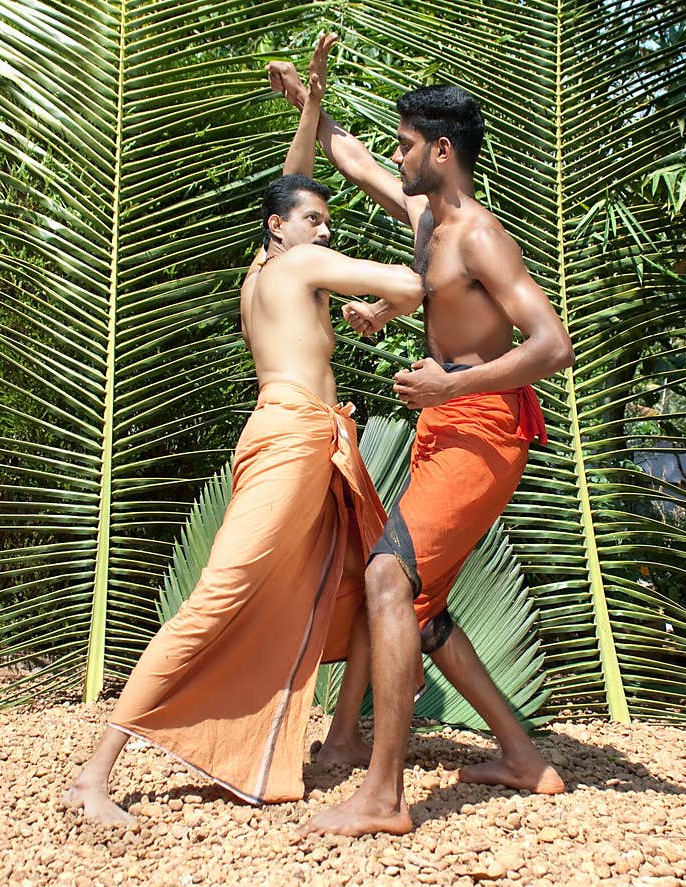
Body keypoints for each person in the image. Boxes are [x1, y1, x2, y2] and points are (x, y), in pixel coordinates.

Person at [61, 36, 423, 825]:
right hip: (295, 438)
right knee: (216, 597)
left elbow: (294, 188)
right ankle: (95, 772)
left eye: (327, 224)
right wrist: (395, 298)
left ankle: (343, 737)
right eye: (316, 224)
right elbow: (410, 278)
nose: (326, 232)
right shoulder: (299, 266)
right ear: (280, 229)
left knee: (371, 581)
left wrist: (313, 107)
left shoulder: (261, 270)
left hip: (305, 438)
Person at [267, 60, 574, 837]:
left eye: (408, 145)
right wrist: (311, 108)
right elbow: (356, 160)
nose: (395, 156)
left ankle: (383, 797)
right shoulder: (427, 220)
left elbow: (552, 344)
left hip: (483, 429)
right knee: (418, 605)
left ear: (441, 151)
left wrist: (449, 389)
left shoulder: (480, 236)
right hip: (451, 429)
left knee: (386, 575)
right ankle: (521, 753)